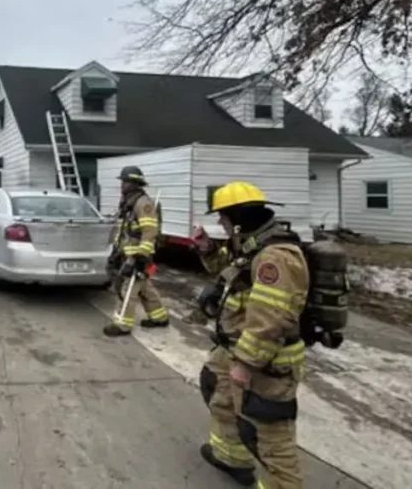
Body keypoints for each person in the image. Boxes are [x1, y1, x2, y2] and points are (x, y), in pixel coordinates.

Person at [192, 181, 308, 489]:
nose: (220, 222)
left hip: (266, 361)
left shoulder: (276, 256)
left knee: (270, 436)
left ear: (238, 218)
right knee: (220, 396)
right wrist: (206, 247)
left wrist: (246, 363)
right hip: (235, 346)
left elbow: (271, 318)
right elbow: (231, 273)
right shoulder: (251, 245)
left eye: (223, 216)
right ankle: (232, 459)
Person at [103, 166, 170, 336]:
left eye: (125, 182)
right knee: (144, 288)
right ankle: (159, 317)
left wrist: (141, 256)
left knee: (127, 289)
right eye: (122, 181)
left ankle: (122, 324)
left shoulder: (143, 203)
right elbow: (124, 230)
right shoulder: (128, 202)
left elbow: (150, 231)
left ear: (135, 183)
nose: (122, 185)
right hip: (126, 253)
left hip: (137, 256)